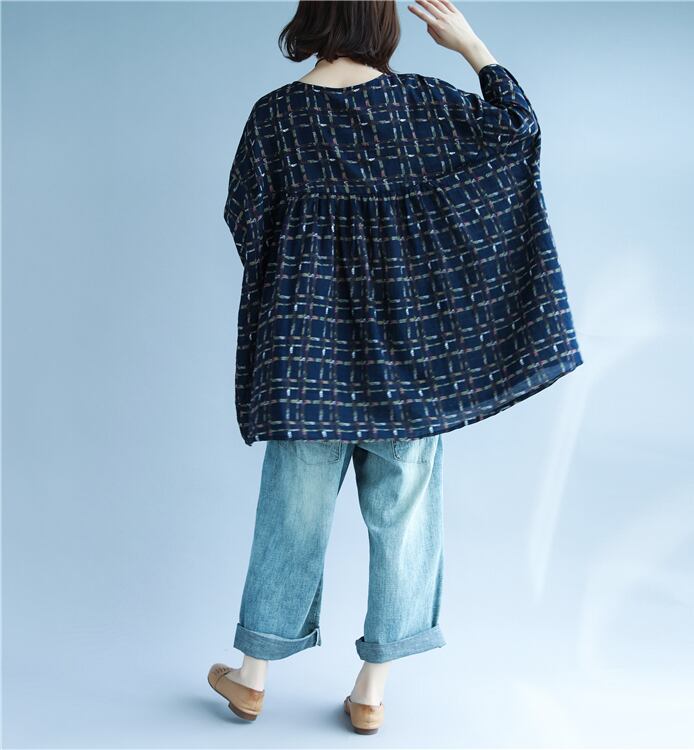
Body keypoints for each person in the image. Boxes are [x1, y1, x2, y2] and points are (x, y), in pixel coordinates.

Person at [207, 0, 584, 735]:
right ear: (384, 22)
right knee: (405, 519)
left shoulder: (275, 117)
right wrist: (472, 46)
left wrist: (310, 275)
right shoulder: (423, 105)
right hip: (410, 355)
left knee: (290, 514)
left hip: (307, 356)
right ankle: (372, 691)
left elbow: (246, 221)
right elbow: (517, 132)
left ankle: (251, 678)